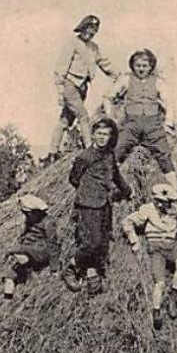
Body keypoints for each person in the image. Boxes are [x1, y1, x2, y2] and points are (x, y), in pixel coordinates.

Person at [64, 116, 131, 296]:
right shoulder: (84, 157)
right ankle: (71, 267)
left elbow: (115, 175)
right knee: (90, 242)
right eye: (99, 133)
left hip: (103, 204)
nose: (102, 137)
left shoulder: (109, 155)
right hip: (87, 204)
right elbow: (73, 178)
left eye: (106, 134)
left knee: (101, 241)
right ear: (93, 134)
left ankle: (92, 273)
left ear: (111, 137)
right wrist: (88, 191)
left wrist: (126, 190)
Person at [121, 182, 177, 327]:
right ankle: (156, 310)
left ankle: (174, 295)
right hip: (156, 248)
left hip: (171, 245)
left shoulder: (175, 210)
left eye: (163, 202)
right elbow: (127, 222)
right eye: (157, 201)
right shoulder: (148, 209)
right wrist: (135, 241)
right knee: (160, 282)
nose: (159, 205)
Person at [46, 14, 121, 163]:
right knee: (83, 116)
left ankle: (52, 152)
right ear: (83, 27)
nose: (91, 32)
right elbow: (61, 68)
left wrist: (117, 75)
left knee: (65, 120)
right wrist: (60, 91)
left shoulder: (94, 48)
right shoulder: (72, 43)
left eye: (94, 30)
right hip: (70, 84)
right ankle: (89, 149)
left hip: (82, 87)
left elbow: (103, 63)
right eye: (89, 28)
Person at [109, 49, 177, 196]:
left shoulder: (159, 82)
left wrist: (168, 123)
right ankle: (109, 183)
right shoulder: (125, 80)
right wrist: (113, 119)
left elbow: (169, 103)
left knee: (163, 152)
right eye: (138, 65)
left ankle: (175, 190)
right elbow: (109, 96)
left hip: (152, 123)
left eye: (145, 66)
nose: (141, 69)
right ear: (132, 66)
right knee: (118, 148)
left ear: (151, 67)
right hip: (131, 122)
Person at [3, 194, 57, 299]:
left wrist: (54, 269)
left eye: (28, 213)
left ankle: (31, 277)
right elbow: (25, 236)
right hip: (29, 250)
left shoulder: (48, 222)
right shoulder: (30, 221)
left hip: (40, 250)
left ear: (36, 212)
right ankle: (7, 301)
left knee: (20, 254)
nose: (26, 216)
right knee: (9, 275)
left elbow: (53, 244)